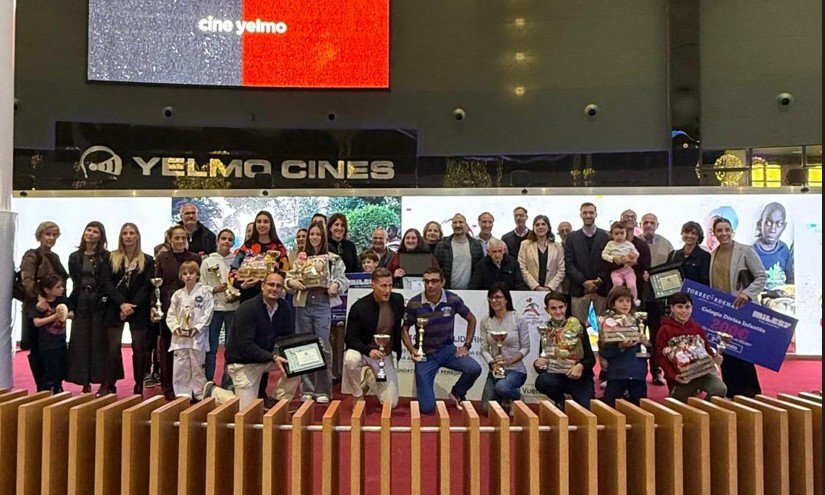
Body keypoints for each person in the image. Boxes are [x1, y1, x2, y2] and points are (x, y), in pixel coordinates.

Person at [204, 272, 301, 408]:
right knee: (248, 411)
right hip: (242, 363)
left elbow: (288, 336)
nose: (274, 288)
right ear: (262, 286)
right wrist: (273, 356)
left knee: (299, 363)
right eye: (271, 284)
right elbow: (245, 346)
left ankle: (276, 401)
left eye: (278, 286)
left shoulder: (284, 307)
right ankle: (214, 392)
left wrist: (300, 351)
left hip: (264, 360)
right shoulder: (248, 309)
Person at [401, 267, 481, 414]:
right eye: (426, 281)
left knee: (474, 368)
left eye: (434, 281)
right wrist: (412, 351)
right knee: (427, 408)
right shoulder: (414, 303)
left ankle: (457, 393)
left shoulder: (453, 299)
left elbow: (471, 319)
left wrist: (467, 345)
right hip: (425, 355)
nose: (430, 285)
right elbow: (404, 329)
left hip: (447, 350)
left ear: (442, 282)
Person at [286, 221, 349, 403]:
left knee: (323, 345)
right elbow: (288, 278)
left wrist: (336, 285)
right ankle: (307, 389)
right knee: (303, 346)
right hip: (303, 303)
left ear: (323, 237)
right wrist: (292, 283)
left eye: (318, 235)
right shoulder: (300, 259)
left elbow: (343, 278)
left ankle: (323, 390)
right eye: (311, 235)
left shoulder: (333, 259)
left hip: (322, 303)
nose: (314, 237)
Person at [709, 217, 767, 397]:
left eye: (727, 229)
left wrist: (747, 294)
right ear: (714, 233)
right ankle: (731, 391)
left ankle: (751, 393)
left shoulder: (746, 251)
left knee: (743, 353)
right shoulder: (713, 253)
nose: (723, 233)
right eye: (719, 230)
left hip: (742, 309)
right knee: (726, 353)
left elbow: (761, 276)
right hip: (723, 312)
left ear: (732, 231)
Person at [103, 223, 155, 395]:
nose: (128, 236)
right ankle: (108, 384)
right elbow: (107, 283)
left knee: (139, 347)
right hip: (115, 307)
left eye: (132, 233)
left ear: (137, 236)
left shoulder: (147, 260)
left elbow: (147, 286)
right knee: (111, 347)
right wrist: (121, 303)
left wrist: (132, 305)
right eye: (125, 233)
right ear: (120, 236)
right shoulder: (110, 257)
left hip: (138, 309)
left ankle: (139, 384)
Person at [18, 221, 69, 391]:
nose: (51, 238)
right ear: (40, 235)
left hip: (55, 310)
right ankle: (43, 389)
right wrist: (40, 298)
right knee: (40, 352)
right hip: (37, 309)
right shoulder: (32, 256)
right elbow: (27, 280)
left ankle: (55, 386)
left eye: (55, 235)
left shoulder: (55, 257)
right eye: (48, 234)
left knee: (57, 351)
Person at [67, 221, 116, 395]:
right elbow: (74, 281)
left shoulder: (106, 256)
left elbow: (108, 281)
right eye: (89, 230)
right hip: (81, 301)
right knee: (80, 342)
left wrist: (103, 300)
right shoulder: (75, 256)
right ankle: (84, 381)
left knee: (99, 342)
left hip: (100, 303)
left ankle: (103, 381)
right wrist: (70, 305)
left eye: (96, 231)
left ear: (101, 236)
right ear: (84, 233)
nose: (91, 234)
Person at [343, 268, 403, 408]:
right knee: (351, 358)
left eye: (390, 285)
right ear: (373, 285)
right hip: (364, 352)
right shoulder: (359, 307)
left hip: (384, 355)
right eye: (383, 286)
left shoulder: (398, 300)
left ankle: (370, 378)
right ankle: (358, 394)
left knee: (391, 404)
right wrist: (368, 350)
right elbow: (350, 339)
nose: (387, 290)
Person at [154, 225, 202, 400]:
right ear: (170, 239)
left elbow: (200, 283)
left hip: (193, 309)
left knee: (191, 351)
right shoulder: (162, 258)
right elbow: (156, 284)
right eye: (177, 238)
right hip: (169, 308)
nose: (181, 241)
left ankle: (193, 389)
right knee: (169, 348)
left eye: (184, 238)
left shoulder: (195, 258)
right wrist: (155, 305)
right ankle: (169, 388)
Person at [654, 292, 727, 402]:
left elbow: (706, 350)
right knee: (678, 405)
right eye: (680, 307)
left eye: (687, 307)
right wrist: (674, 376)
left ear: (692, 308)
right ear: (672, 308)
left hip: (702, 375)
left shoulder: (697, 328)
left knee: (720, 389)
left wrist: (715, 357)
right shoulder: (664, 330)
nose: (684, 311)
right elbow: (659, 357)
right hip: (681, 379)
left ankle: (704, 410)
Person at [533, 292, 595, 409]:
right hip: (558, 377)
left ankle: (575, 398)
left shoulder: (579, 326)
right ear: (547, 310)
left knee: (587, 410)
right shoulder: (546, 330)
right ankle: (560, 400)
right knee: (542, 381)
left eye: (561, 307)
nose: (558, 311)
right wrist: (538, 364)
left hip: (580, 378)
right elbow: (544, 361)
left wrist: (580, 367)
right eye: (553, 308)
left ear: (566, 306)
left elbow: (591, 359)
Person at [479, 283, 530, 414]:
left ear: (506, 299)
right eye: (491, 297)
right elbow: (484, 349)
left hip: (516, 370)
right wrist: (492, 362)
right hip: (495, 371)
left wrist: (511, 359)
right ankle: (506, 399)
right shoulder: (485, 321)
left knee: (502, 387)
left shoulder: (518, 319)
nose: (494, 300)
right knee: (485, 410)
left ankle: (518, 398)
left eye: (498, 297)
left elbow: (526, 348)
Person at [166, 261, 214, 400]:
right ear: (180, 276)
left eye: (191, 273)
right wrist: (175, 328)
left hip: (197, 336)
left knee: (198, 365)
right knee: (181, 366)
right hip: (180, 337)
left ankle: (199, 394)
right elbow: (171, 314)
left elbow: (208, 313)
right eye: (185, 274)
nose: (188, 276)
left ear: (197, 275)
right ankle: (182, 394)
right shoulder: (177, 295)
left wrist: (198, 328)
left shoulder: (205, 292)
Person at [200, 229, 240, 386]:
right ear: (217, 240)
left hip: (233, 307)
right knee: (211, 346)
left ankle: (228, 382)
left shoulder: (236, 261)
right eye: (224, 238)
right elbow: (201, 286)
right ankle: (208, 381)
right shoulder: (207, 261)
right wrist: (213, 289)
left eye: (230, 239)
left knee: (231, 348)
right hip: (214, 308)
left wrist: (235, 293)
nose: (227, 242)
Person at [598, 286, 650, 406]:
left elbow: (649, 351)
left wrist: (646, 343)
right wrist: (620, 346)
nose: (625, 304)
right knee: (610, 408)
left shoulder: (638, 322)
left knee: (640, 409)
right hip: (617, 374)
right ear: (613, 304)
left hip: (637, 373)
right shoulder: (608, 323)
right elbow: (604, 352)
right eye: (620, 301)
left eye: (628, 301)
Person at [564, 202, 611, 323]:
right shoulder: (571, 237)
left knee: (605, 328)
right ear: (581, 215)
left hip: (601, 289)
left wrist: (598, 281)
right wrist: (584, 282)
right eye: (585, 212)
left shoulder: (606, 236)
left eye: (591, 212)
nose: (588, 215)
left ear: (596, 214)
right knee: (578, 329)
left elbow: (609, 263)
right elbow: (569, 264)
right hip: (579, 290)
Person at [231, 210, 290, 302]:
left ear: (271, 225)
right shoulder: (247, 246)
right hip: (248, 297)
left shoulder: (279, 248)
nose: (262, 224)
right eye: (259, 221)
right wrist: (241, 285)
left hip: (272, 297)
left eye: (266, 222)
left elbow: (285, 272)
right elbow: (232, 271)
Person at [30, 274, 74, 393]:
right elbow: (37, 322)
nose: (62, 289)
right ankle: (48, 391)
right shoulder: (39, 304)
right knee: (50, 371)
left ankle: (57, 388)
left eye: (62, 286)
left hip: (61, 341)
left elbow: (72, 314)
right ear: (47, 290)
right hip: (47, 344)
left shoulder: (63, 300)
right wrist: (55, 316)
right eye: (58, 287)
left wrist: (66, 314)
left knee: (60, 369)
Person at [434, 213, 484, 290]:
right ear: (451, 226)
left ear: (466, 225)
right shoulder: (442, 246)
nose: (457, 225)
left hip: (471, 292)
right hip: (446, 291)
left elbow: (480, 270)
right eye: (455, 223)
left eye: (461, 222)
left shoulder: (476, 245)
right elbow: (436, 270)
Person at [752, 202, 794, 290]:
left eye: (779, 224)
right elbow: (749, 285)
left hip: (782, 298)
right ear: (760, 224)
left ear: (784, 227)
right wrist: (769, 294)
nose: (773, 229)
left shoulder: (784, 249)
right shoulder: (751, 252)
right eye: (768, 223)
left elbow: (790, 278)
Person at [518, 215, 565, 292]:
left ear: (548, 227)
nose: (540, 227)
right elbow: (522, 268)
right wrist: (536, 287)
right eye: (537, 225)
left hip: (553, 290)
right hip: (531, 290)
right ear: (533, 228)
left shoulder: (558, 246)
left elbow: (561, 270)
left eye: (543, 224)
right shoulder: (525, 245)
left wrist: (549, 287)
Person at [602, 221, 641, 304]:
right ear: (612, 234)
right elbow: (604, 254)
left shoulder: (629, 244)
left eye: (622, 233)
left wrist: (632, 255)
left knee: (631, 285)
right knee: (617, 284)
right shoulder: (610, 244)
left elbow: (636, 253)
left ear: (626, 233)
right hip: (616, 271)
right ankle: (614, 300)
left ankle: (634, 300)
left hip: (628, 269)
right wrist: (613, 258)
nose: (619, 236)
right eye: (616, 234)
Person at [667, 221, 711, 286]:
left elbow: (705, 281)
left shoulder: (705, 256)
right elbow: (666, 275)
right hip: (676, 295)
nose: (689, 236)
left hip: (695, 294)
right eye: (686, 232)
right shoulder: (673, 255)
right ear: (682, 234)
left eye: (693, 233)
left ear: (699, 236)